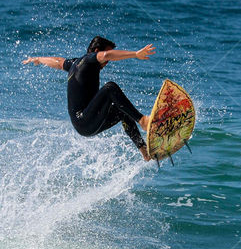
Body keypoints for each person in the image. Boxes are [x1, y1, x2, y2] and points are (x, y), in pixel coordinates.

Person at [23, 36, 155, 161]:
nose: (108, 61)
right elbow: (106, 55)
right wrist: (136, 54)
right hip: (84, 120)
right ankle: (143, 121)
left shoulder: (75, 63)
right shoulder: (90, 59)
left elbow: (58, 62)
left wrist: (39, 59)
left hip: (83, 124)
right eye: (108, 55)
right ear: (96, 51)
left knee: (122, 110)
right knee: (110, 87)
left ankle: (144, 151)